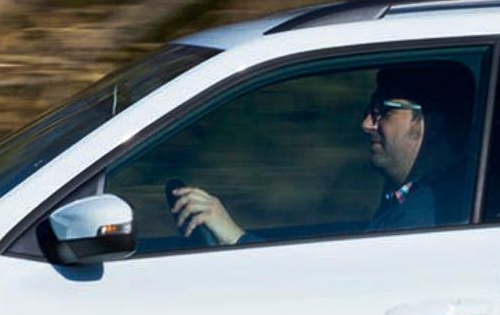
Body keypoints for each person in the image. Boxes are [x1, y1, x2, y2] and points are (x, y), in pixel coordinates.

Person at [169, 62, 469, 246]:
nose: (366, 123)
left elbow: (342, 287)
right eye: (369, 111)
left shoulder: (425, 217)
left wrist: (236, 238)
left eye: (383, 112)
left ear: (435, 123)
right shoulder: (404, 199)